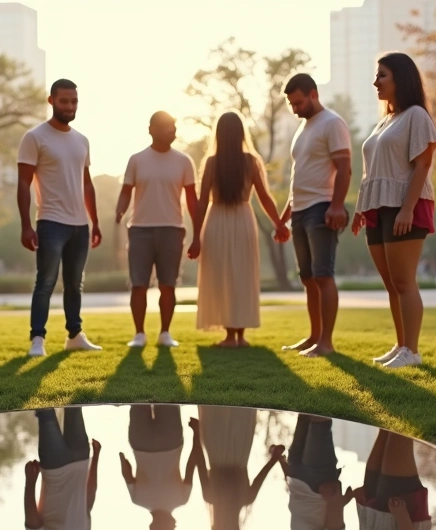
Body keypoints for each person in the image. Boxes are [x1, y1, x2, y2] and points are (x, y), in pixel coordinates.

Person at [351, 53, 436, 369]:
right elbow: (372, 169)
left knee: (404, 281)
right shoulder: (386, 120)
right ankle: (401, 344)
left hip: (405, 205)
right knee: (391, 284)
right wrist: (362, 208)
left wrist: (407, 209)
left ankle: (411, 351)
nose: (376, 81)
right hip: (378, 206)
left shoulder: (416, 115)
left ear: (400, 78)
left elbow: (423, 165)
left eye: (382, 75)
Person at [188, 111, 291, 347]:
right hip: (243, 220)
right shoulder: (251, 161)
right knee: (242, 275)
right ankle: (240, 336)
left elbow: (202, 201)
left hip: (216, 221)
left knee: (221, 276)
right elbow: (265, 197)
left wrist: (196, 237)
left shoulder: (212, 162)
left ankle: (229, 336)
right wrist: (278, 223)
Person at [18, 79, 102, 358]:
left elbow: (87, 184)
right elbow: (23, 183)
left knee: (75, 283)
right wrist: (26, 225)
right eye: (64, 101)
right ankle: (37, 339)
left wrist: (95, 221)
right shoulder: (35, 137)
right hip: (51, 222)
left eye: (74, 101)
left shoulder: (82, 140)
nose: (70, 106)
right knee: (46, 282)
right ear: (51, 100)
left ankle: (75, 335)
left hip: (80, 224)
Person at [279, 74, 353, 358]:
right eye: (290, 104)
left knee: (323, 276)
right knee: (308, 278)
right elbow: (298, 176)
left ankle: (327, 342)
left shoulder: (332, 123)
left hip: (321, 208)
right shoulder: (303, 128)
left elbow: (344, 168)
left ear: (313, 94)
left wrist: (337, 206)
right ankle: (313, 336)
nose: (295, 108)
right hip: (299, 210)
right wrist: (284, 216)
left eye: (298, 102)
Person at [115, 112, 197, 348]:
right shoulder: (137, 160)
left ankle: (165, 333)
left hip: (172, 229)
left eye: (174, 126)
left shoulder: (183, 161)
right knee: (138, 284)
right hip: (140, 230)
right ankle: (139, 334)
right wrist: (120, 210)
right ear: (150, 129)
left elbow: (192, 200)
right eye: (166, 127)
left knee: (168, 284)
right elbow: (125, 191)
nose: (172, 131)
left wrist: (197, 234)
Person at [24, 408, 100, 530]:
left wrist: (30, 481)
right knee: (75, 405)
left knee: (46, 413)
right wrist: (95, 458)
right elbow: (89, 498)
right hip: (81, 457)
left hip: (54, 466)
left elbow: (31, 515)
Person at [276, 415, 350, 530]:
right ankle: (325, 389)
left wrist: (281, 461)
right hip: (317, 480)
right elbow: (336, 525)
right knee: (319, 425)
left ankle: (312, 390)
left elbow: (295, 496)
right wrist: (332, 497)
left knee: (304, 417)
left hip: (296, 472)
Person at [119, 405, 201, 530]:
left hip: (169, 443)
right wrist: (122, 458)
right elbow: (127, 474)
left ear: (154, 529)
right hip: (143, 444)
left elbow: (192, 463)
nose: (174, 525)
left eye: (171, 529)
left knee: (165, 396)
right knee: (142, 398)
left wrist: (196, 433)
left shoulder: (181, 499)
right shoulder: (138, 499)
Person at [353, 430, 432, 530]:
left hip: (373, 511)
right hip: (397, 513)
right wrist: (401, 515)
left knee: (385, 430)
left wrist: (362, 507)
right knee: (399, 432)